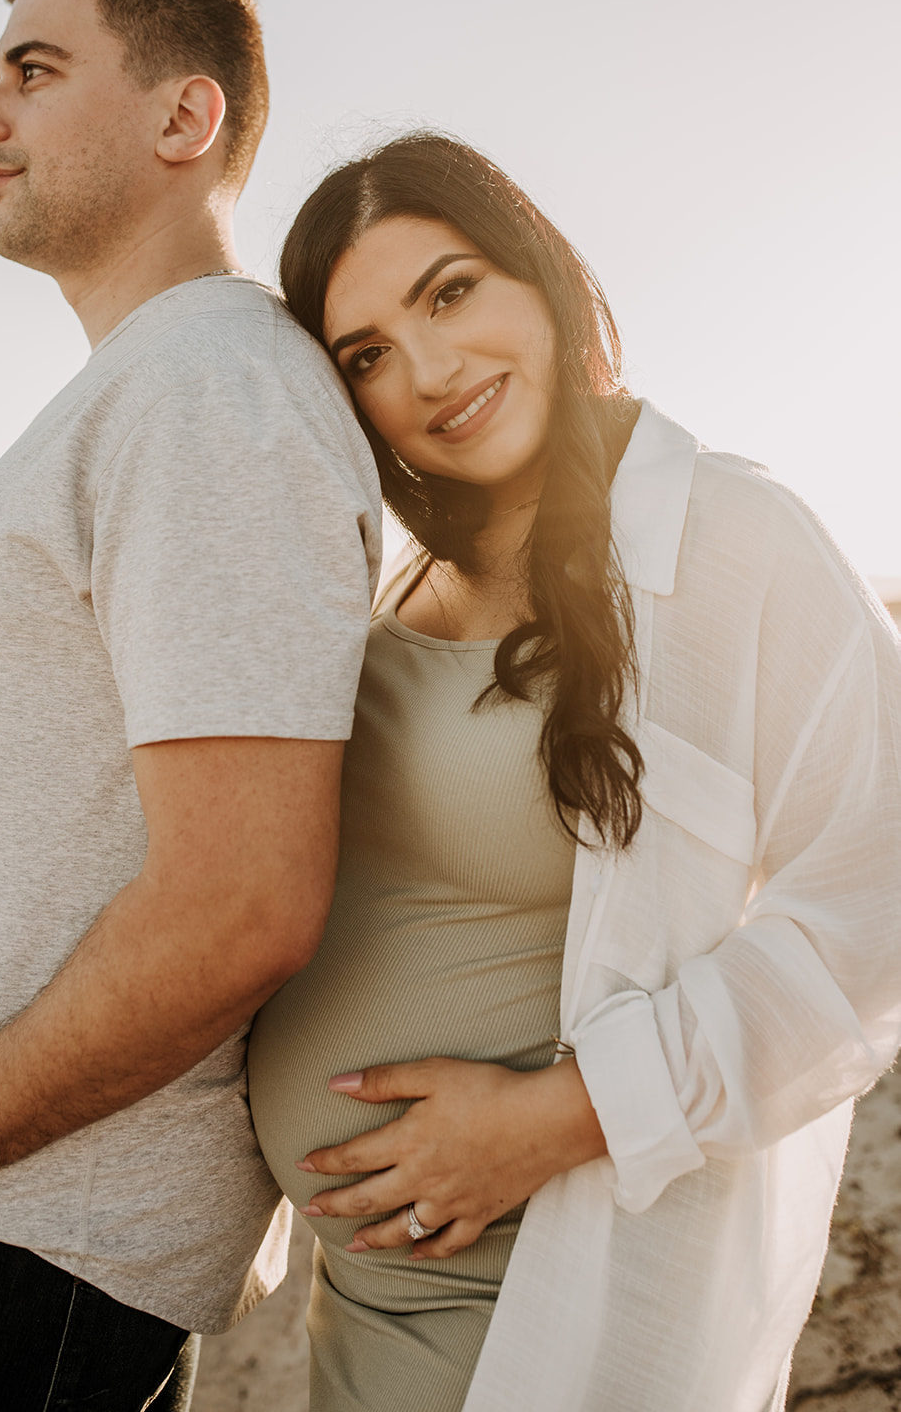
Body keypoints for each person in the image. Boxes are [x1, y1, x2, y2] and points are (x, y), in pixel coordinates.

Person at [248, 132, 901, 1412]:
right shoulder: (405, 579)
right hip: (366, 1304)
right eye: (365, 355)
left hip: (544, 1290)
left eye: (450, 292)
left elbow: (879, 899)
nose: (429, 372)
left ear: (540, 276)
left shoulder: (728, 538)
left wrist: (557, 1116)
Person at [0, 0, 380, 1411]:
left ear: (182, 119)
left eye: (33, 68)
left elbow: (243, 900)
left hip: (12, 1243)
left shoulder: (212, 396)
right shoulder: (153, 388)